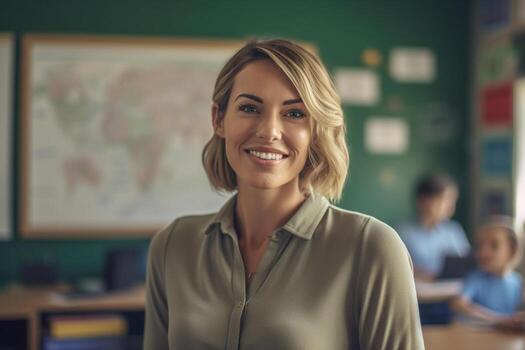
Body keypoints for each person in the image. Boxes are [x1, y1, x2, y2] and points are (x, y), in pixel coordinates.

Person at [143, 39, 424, 350]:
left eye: (294, 114)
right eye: (249, 108)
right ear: (218, 120)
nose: (269, 131)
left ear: (315, 130)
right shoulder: (172, 245)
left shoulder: (371, 248)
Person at [451, 216, 524, 329]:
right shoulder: (475, 278)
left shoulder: (517, 282)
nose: (483, 252)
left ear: (512, 250)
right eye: (479, 246)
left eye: (494, 246)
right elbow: (459, 305)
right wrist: (499, 320)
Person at [397, 173, 470, 280]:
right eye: (445, 200)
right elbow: (398, 268)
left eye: (453, 201)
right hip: (417, 291)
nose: (450, 207)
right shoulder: (403, 232)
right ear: (424, 201)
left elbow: (466, 263)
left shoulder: (453, 230)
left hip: (451, 289)